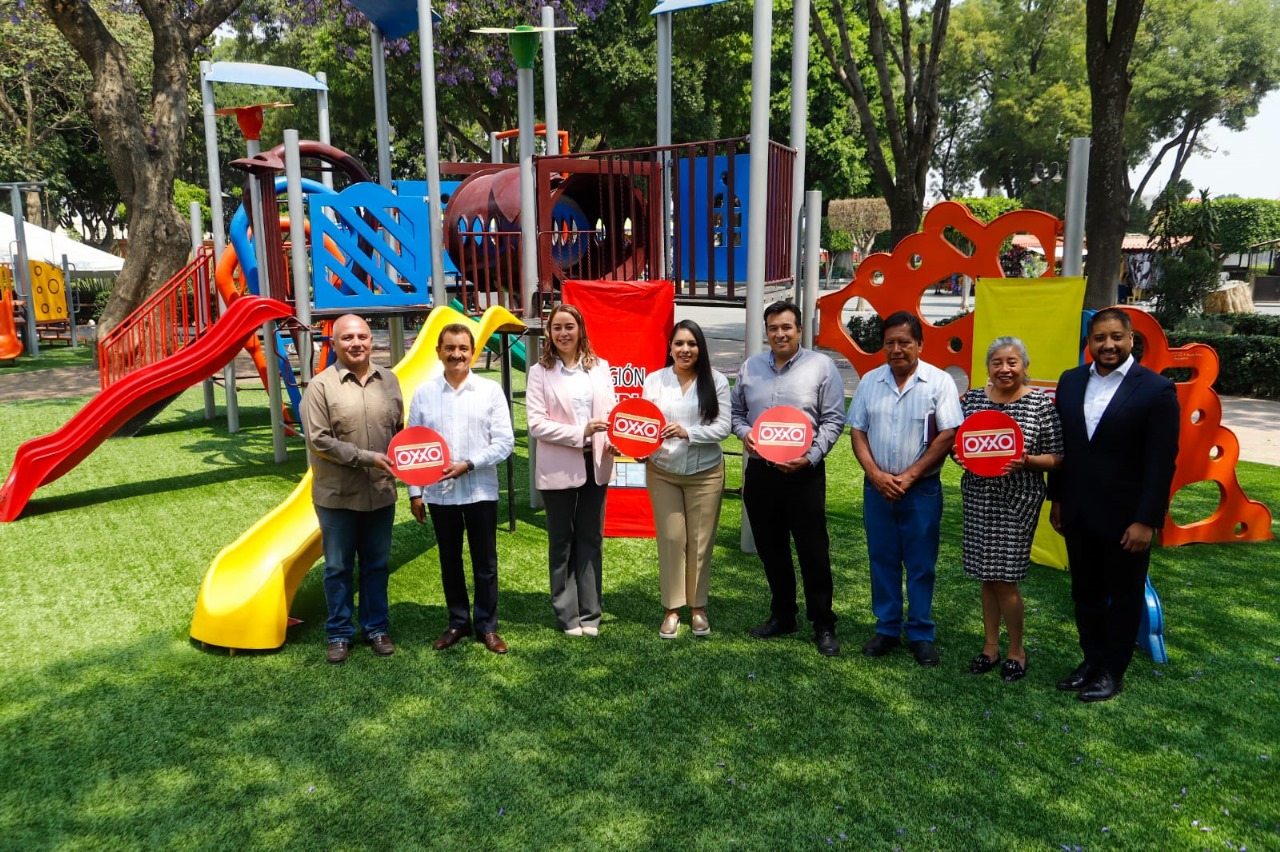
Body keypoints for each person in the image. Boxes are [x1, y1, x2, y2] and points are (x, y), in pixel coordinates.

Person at [1048, 308, 1180, 702]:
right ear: (1088, 342)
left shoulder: (1156, 390)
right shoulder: (1070, 382)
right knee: (1084, 593)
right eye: (1100, 338)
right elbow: (1063, 448)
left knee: (1123, 596)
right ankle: (1090, 660)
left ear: (1131, 339)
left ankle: (1111, 671)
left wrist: (1146, 521)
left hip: (1127, 519)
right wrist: (1057, 499)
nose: (1108, 345)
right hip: (1077, 511)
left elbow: (1161, 463)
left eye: (1116, 337)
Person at [847, 311, 963, 666]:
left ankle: (921, 633)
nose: (896, 349)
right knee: (882, 559)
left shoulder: (939, 382)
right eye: (890, 343)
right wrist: (876, 475)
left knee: (920, 563)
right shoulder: (870, 381)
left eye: (904, 342)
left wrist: (910, 475)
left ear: (919, 345)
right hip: (878, 489)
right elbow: (858, 432)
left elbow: (947, 434)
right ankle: (887, 628)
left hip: (921, 490)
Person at [730, 300, 847, 656]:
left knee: (813, 550)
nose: (780, 334)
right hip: (761, 475)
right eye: (773, 328)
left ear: (800, 330)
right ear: (767, 332)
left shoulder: (821, 367)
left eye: (787, 327)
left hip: (804, 475)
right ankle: (783, 614)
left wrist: (810, 457)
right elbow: (736, 413)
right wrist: (745, 433)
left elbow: (833, 420)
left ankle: (823, 622)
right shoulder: (750, 367)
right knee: (772, 549)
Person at [956, 337, 1064, 682]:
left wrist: (1028, 461)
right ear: (988, 367)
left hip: (1018, 501)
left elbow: (1057, 458)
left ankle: (1017, 650)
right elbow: (958, 444)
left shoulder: (1040, 405)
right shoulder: (972, 400)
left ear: (1025, 367)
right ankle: (991, 647)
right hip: (978, 497)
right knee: (987, 577)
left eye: (1012, 362)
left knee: (1006, 578)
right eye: (997, 362)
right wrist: (961, 457)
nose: (1004, 369)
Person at [300, 314, 404, 665]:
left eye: (362, 336)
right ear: (334, 343)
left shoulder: (390, 381)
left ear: (371, 340)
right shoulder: (320, 386)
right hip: (337, 496)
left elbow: (399, 430)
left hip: (381, 493)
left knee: (376, 566)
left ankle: (376, 628)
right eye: (347, 338)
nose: (356, 343)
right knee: (338, 568)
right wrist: (366, 458)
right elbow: (318, 440)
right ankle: (339, 633)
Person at [406, 324, 515, 655]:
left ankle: (487, 626)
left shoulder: (490, 391)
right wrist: (414, 491)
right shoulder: (424, 394)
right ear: (438, 351)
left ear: (473, 352)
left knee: (485, 562)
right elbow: (411, 446)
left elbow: (505, 442)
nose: (457, 354)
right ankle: (457, 622)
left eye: (463, 348)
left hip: (480, 490)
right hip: (440, 494)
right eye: (450, 348)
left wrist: (469, 463)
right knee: (449, 559)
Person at [526, 304, 617, 636]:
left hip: (596, 464)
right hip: (558, 468)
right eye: (556, 327)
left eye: (569, 326)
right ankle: (567, 616)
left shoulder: (601, 368)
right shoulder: (540, 372)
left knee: (591, 539)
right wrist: (581, 433)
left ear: (580, 329)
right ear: (549, 333)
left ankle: (591, 614)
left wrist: (614, 439)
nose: (563, 333)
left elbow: (613, 413)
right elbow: (536, 424)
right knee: (562, 541)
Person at [640, 320, 732, 639]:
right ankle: (672, 609)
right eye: (679, 343)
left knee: (700, 541)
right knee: (671, 539)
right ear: (670, 348)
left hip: (705, 473)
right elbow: (642, 423)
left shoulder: (716, 381)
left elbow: (723, 428)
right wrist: (637, 446)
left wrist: (687, 431)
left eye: (692, 344)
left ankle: (697, 608)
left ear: (700, 348)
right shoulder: (654, 381)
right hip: (662, 470)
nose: (685, 349)